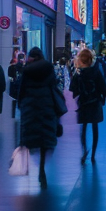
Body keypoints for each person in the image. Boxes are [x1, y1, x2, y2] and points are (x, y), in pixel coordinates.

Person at [18, 47, 64, 186]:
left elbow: (22, 88)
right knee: (45, 137)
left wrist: (20, 103)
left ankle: (25, 165)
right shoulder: (48, 68)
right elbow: (53, 86)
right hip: (46, 103)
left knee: (29, 133)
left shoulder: (27, 70)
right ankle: (42, 169)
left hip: (30, 104)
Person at [70, 48, 106, 163]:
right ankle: (93, 154)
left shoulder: (78, 73)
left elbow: (72, 88)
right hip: (95, 101)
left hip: (83, 103)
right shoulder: (96, 71)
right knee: (95, 127)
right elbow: (102, 86)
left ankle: (84, 151)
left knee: (83, 128)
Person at [8, 51, 25, 118]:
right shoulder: (25, 68)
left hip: (15, 88)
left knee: (14, 103)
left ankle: (13, 115)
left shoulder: (12, 67)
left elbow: (10, 76)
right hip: (21, 88)